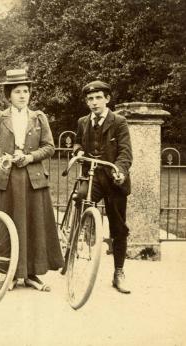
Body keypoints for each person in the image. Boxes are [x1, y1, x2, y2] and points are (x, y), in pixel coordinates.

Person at [0, 69, 64, 291]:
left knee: (34, 224)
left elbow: (50, 147)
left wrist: (30, 157)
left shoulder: (39, 117)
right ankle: (10, 273)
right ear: (9, 95)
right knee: (9, 224)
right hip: (8, 179)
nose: (22, 95)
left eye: (26, 91)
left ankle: (32, 274)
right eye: (17, 92)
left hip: (34, 179)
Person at [73, 80, 132, 294]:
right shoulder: (82, 122)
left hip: (114, 180)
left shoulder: (119, 122)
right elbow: (78, 142)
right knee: (79, 197)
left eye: (98, 98)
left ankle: (119, 272)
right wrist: (78, 151)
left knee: (119, 227)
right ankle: (79, 238)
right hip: (92, 176)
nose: (94, 102)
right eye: (90, 99)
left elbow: (125, 152)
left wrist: (120, 170)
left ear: (107, 99)